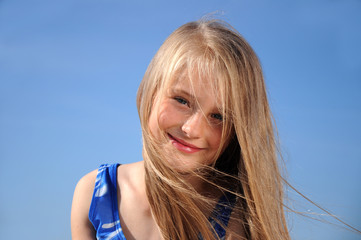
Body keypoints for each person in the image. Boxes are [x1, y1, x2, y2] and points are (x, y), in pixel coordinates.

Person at [71, 19, 290, 240]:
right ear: (152, 89)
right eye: (182, 100)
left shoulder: (237, 220)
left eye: (218, 116)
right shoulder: (95, 194)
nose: (192, 128)